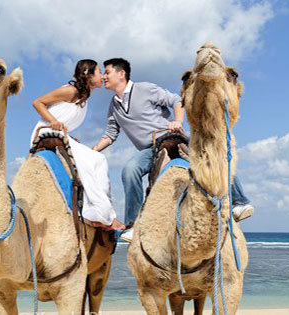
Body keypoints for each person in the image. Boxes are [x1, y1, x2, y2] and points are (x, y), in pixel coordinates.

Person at [92, 58, 254, 242]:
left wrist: (177, 120)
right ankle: (134, 224)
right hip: (148, 149)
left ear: (121, 74)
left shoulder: (145, 88)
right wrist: (93, 151)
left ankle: (241, 202)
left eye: (107, 72)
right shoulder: (113, 106)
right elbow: (110, 134)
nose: (104, 76)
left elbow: (176, 100)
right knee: (130, 171)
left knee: (211, 155)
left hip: (170, 136)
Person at [31, 59, 125, 231]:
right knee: (89, 162)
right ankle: (102, 215)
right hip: (46, 132)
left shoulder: (85, 98)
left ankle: (97, 212)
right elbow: (38, 102)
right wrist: (54, 122)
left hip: (62, 135)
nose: (103, 76)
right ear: (88, 75)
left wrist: (70, 136)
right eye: (99, 72)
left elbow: (66, 119)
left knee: (99, 159)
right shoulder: (70, 91)